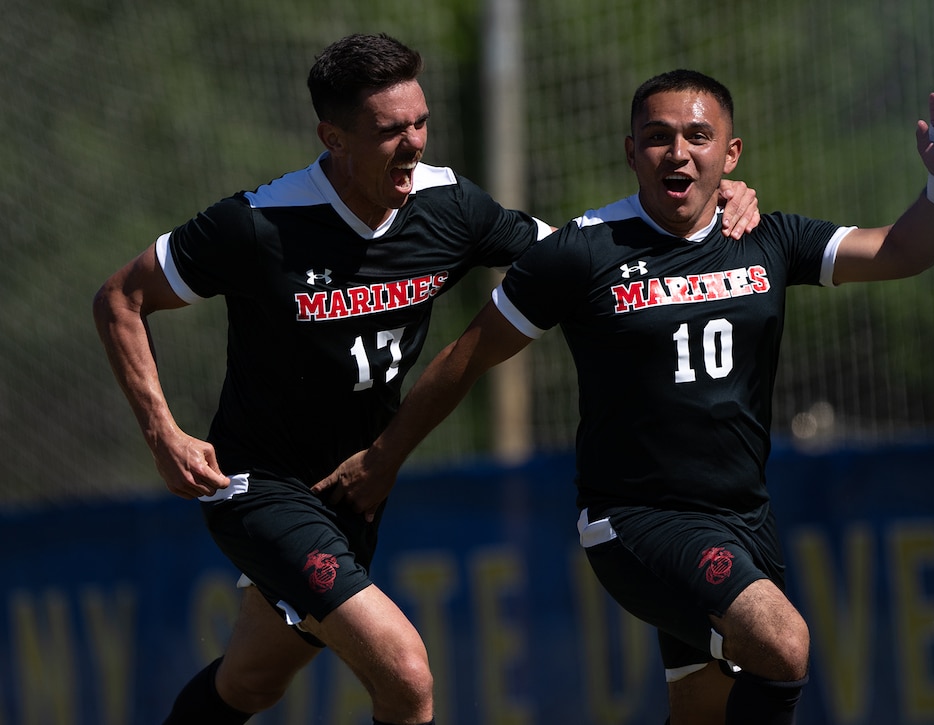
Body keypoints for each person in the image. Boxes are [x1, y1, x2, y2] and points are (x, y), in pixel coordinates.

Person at [92, 34, 761, 725]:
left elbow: (584, 263)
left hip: (353, 494)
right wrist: (163, 432)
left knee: (251, 681)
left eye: (421, 121)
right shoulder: (259, 224)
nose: (413, 142)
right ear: (334, 136)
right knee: (406, 675)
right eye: (389, 130)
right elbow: (120, 298)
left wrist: (713, 203)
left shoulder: (449, 205)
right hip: (262, 489)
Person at [313, 70, 934, 724]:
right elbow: (467, 356)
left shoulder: (765, 237)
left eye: (698, 135)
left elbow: (898, 251)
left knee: (703, 712)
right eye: (658, 137)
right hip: (636, 521)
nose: (678, 151)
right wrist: (383, 457)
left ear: (731, 153)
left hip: (745, 521)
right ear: (632, 151)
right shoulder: (583, 252)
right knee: (783, 641)